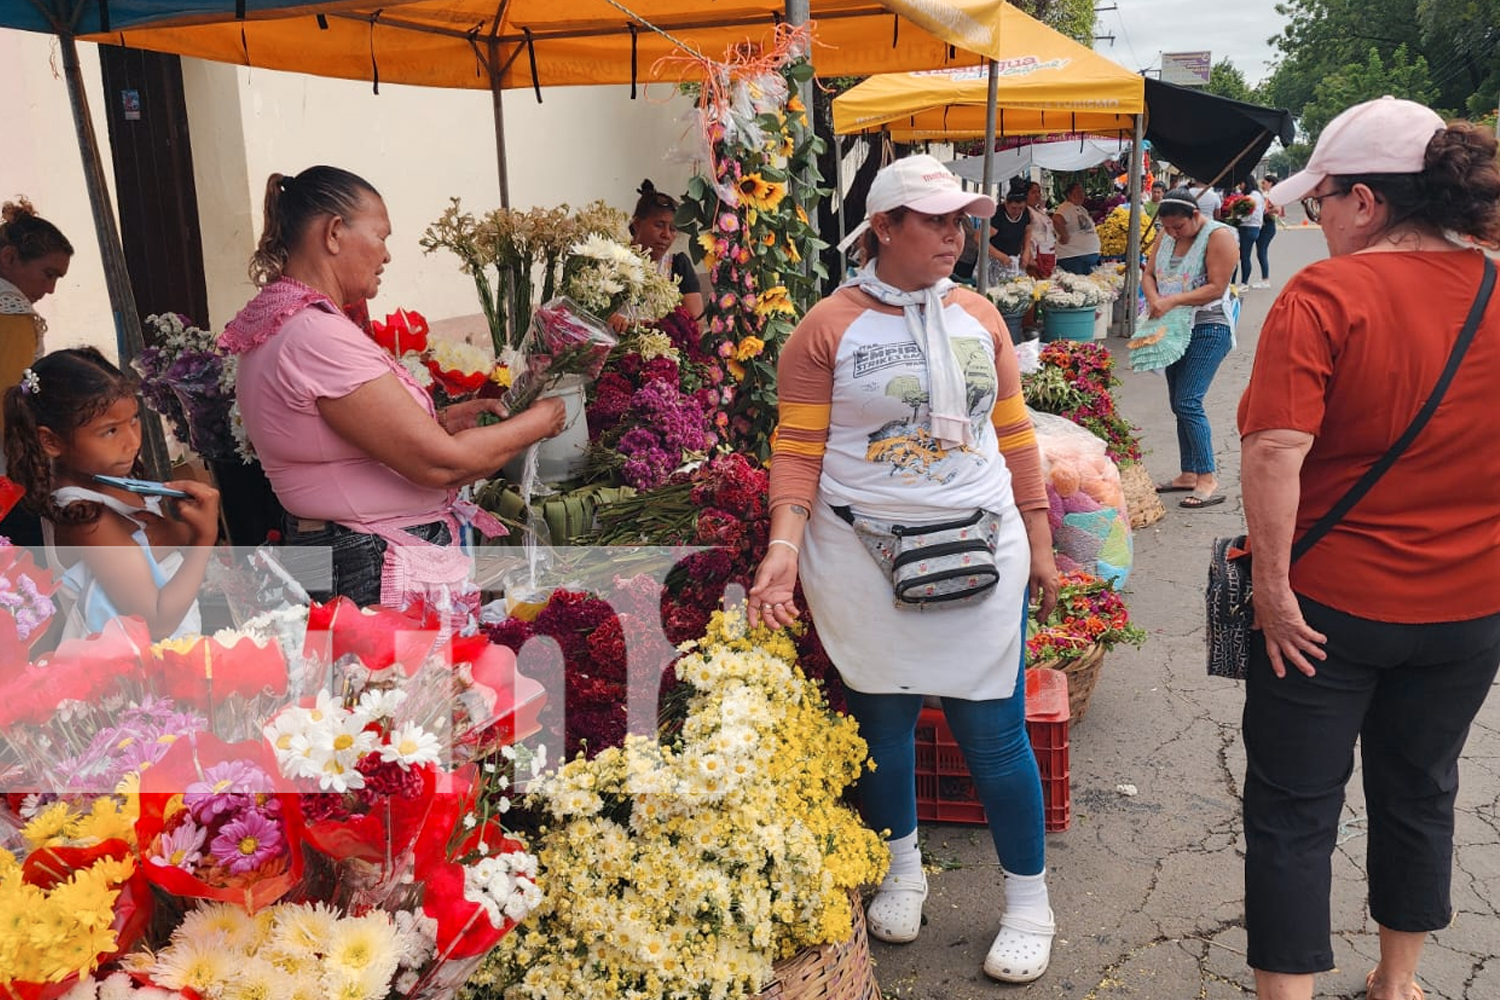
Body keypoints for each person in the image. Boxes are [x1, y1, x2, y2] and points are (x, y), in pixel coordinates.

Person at [747, 153, 1061, 984]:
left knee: (994, 735)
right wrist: (782, 553)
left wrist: (1040, 536)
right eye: (936, 221)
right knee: (880, 728)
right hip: (858, 556)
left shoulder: (980, 315)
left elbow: (1017, 434)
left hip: (980, 548)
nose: (956, 237)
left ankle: (1029, 903)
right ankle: (903, 868)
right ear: (882, 227)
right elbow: (799, 449)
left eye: (963, 221)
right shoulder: (825, 327)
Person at [1237, 96, 1500, 1000]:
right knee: (1421, 788)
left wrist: (1271, 588)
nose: (1320, 222)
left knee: (1292, 809)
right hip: (1471, 606)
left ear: (1368, 200)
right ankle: (1398, 984)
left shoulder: (1326, 292)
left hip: (1326, 608)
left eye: (1323, 204)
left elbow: (1276, 448)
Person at [226, 166, 566, 612]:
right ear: (333, 234)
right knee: (401, 680)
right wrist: (538, 422)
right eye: (381, 236)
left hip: (337, 546)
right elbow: (442, 466)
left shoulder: (284, 323)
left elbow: (335, 437)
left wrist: (440, 421)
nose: (386, 256)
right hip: (365, 556)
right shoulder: (314, 336)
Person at [2, 348, 220, 641]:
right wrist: (203, 539)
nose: (132, 442)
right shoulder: (85, 515)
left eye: (133, 420)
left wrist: (180, 531)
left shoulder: (114, 482)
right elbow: (156, 620)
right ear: (51, 441)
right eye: (110, 431)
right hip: (135, 675)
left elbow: (157, 545)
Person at [1142, 188, 1238, 509]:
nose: (1171, 233)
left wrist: (1171, 301)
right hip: (1173, 326)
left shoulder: (1219, 236)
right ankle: (1188, 472)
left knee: (1188, 400)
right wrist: (1155, 299)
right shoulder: (1164, 235)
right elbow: (1149, 274)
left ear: (1195, 215)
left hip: (1209, 327)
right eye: (1167, 227)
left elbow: (1216, 286)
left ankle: (1207, 477)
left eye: (1178, 228)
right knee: (1177, 401)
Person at [0, 198, 73, 548]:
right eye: (48, 274)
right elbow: (7, 400)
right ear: (10, 257)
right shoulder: (13, 315)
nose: (51, 289)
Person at [625, 180, 704, 324]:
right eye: (659, 225)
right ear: (637, 224)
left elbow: (695, 324)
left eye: (673, 229)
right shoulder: (613, 259)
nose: (666, 234)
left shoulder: (679, 266)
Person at [985, 177, 1033, 284]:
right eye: (1013, 208)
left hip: (1014, 258)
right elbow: (979, 238)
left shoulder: (1026, 213)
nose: (1017, 211)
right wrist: (999, 255)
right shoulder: (998, 214)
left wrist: (1026, 252)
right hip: (994, 261)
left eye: (1021, 208)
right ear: (1006, 204)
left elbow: (1028, 231)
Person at [1051, 181, 1101, 275]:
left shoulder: (1080, 208)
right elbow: (1057, 220)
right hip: (1074, 256)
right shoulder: (1066, 207)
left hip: (1083, 255)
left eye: (1082, 192)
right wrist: (1064, 236)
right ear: (1069, 195)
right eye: (1078, 192)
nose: (1082, 195)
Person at [1252, 175, 1283, 288]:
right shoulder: (1264, 195)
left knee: (1262, 252)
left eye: (1264, 183)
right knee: (1260, 252)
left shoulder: (1273, 195)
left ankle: (1265, 279)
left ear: (1270, 183)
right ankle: (1264, 278)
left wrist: (1264, 211)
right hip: (1264, 225)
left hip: (1268, 226)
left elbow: (1277, 209)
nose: (1262, 185)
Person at [1235, 178, 1267, 287]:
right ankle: (1244, 282)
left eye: (1241, 183)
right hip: (1255, 228)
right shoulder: (1259, 196)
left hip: (1247, 228)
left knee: (1244, 256)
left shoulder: (1250, 198)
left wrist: (1236, 217)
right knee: (1245, 256)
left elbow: (1247, 215)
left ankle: (1244, 282)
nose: (1240, 186)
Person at [1025, 180, 1057, 279]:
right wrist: (1029, 256)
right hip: (1036, 256)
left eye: (1039, 192)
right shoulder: (1026, 212)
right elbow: (1025, 235)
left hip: (1048, 253)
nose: (1037, 195)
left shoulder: (1039, 211)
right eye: (1033, 192)